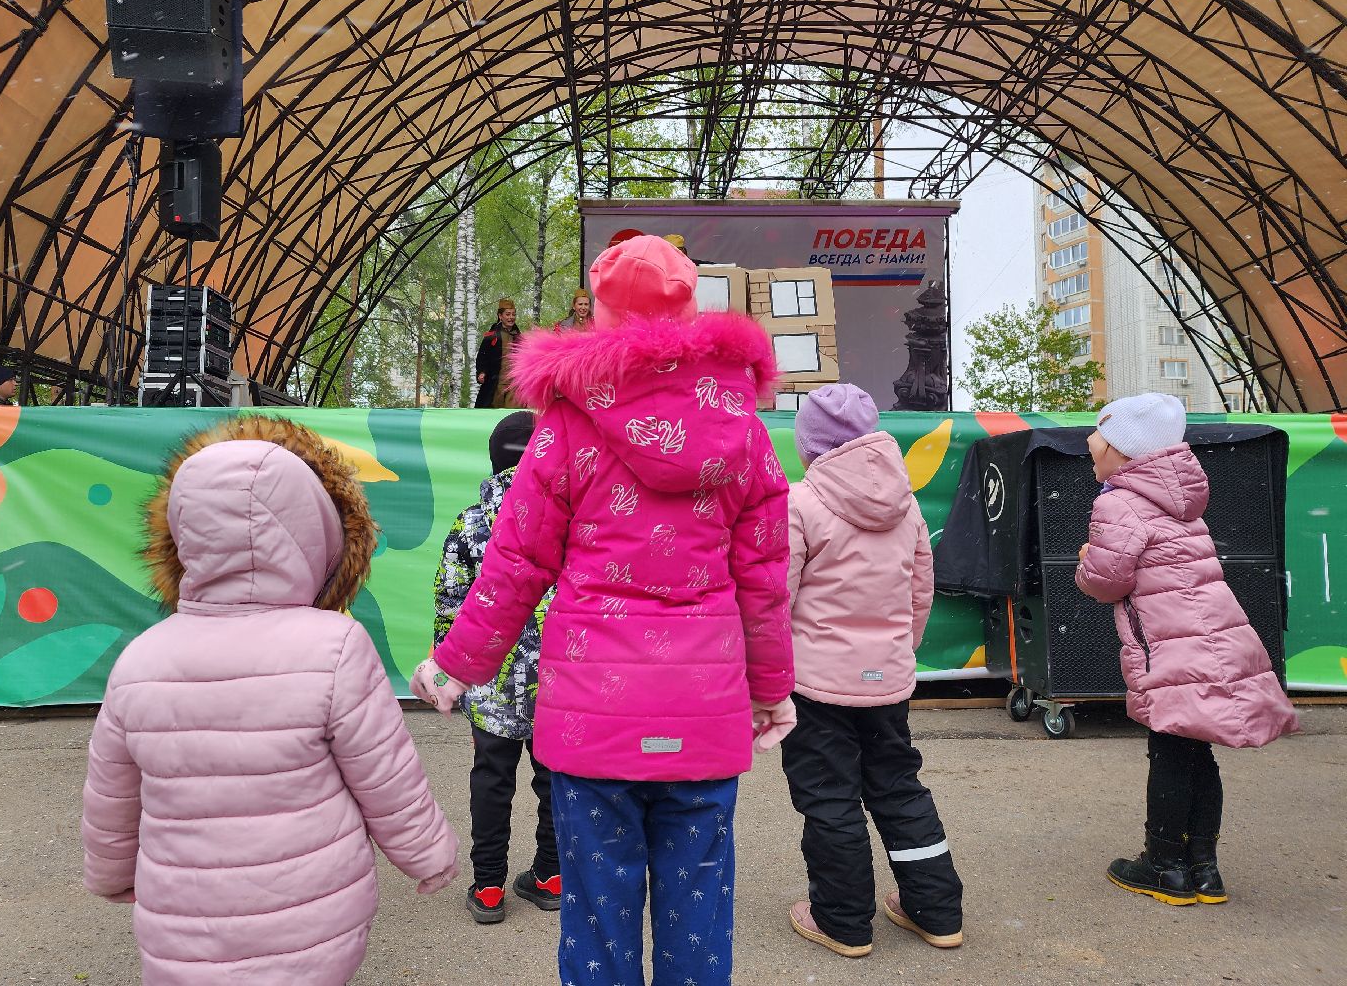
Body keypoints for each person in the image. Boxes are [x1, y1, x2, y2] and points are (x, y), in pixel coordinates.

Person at [411, 234, 797, 986]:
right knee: (699, 915)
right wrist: (773, 688)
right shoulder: (743, 431)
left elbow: (516, 562)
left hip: (591, 718)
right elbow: (764, 574)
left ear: (601, 312)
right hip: (704, 712)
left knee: (596, 916)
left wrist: (457, 665)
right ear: (691, 306)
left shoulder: (566, 426)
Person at [81, 416, 459, 984]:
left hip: (181, 930)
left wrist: (110, 874)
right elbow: (385, 776)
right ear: (313, 533)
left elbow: (112, 794)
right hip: (309, 921)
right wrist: (427, 854)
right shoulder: (334, 647)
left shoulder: (140, 660)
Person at [1076, 393, 1299, 906]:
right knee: (1198, 752)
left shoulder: (1117, 502)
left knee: (1171, 747)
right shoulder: (1178, 497)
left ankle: (1162, 865)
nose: (1093, 451)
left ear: (1123, 452)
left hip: (1171, 644)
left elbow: (1108, 581)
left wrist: (1087, 560)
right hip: (1210, 637)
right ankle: (1204, 868)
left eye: (1100, 443)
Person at [781, 384, 963, 959]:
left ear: (810, 446)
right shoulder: (906, 504)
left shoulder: (798, 503)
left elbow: (774, 598)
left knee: (829, 799)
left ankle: (842, 920)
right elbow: (919, 592)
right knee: (899, 789)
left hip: (814, 686)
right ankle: (936, 911)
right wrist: (896, 655)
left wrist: (766, 671)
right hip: (887, 680)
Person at [434, 410, 561, 924]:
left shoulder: (471, 521)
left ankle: (488, 887)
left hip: (490, 685)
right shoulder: (568, 520)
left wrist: (453, 679)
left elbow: (449, 601)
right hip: (558, 683)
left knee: (491, 780)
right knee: (555, 780)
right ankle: (550, 875)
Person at [475, 298, 523, 408]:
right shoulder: (491, 336)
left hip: (514, 386)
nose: (511, 317)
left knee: (513, 415)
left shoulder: (519, 337)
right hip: (495, 385)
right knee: (492, 413)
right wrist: (481, 372)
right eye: (508, 314)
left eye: (513, 314)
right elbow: (482, 356)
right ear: (500, 316)